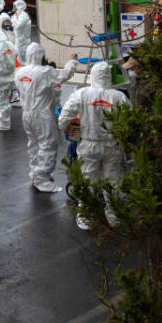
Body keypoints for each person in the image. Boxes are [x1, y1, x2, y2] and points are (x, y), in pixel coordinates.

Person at [58, 61, 131, 229]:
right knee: (112, 181)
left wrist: (69, 130)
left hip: (89, 144)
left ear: (93, 76)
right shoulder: (119, 96)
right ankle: (114, 217)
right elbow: (130, 120)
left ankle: (86, 217)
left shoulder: (81, 94)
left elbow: (63, 119)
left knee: (88, 181)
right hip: (112, 145)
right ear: (109, 77)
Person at [15, 43, 78, 193]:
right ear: (40, 55)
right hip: (42, 115)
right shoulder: (45, 72)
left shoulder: (19, 73)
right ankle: (42, 179)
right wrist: (72, 62)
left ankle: (35, 173)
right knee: (47, 145)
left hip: (26, 114)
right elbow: (65, 74)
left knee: (34, 144)